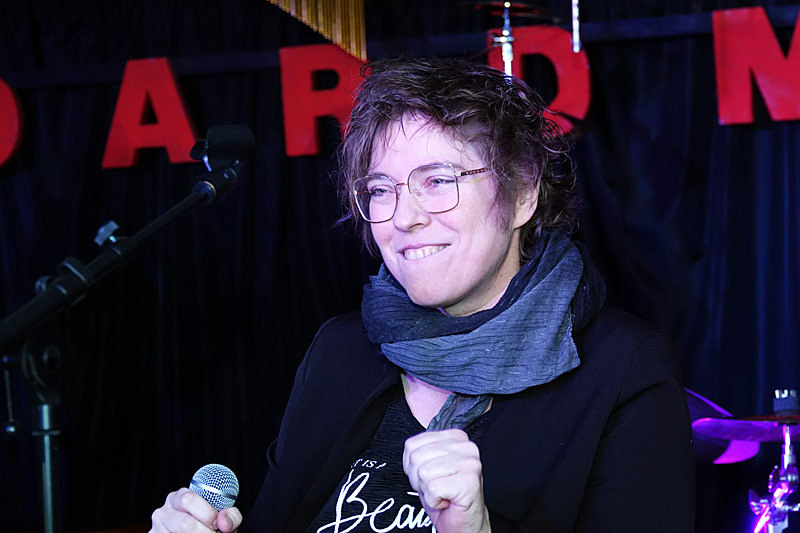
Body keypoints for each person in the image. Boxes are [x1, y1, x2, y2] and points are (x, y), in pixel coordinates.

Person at [150, 57, 695, 533]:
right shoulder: (341, 351)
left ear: (523, 193)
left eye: (437, 180)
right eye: (381, 189)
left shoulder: (624, 368)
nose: (404, 217)